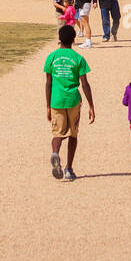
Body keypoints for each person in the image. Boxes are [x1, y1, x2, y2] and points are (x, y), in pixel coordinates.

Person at [44, 23, 95, 182]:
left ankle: (55, 153)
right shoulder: (78, 58)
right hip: (73, 100)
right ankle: (68, 168)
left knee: (57, 133)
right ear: (73, 40)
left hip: (56, 100)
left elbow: (48, 83)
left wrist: (47, 105)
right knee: (73, 134)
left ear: (59, 39)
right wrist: (91, 106)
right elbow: (85, 84)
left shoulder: (51, 57)